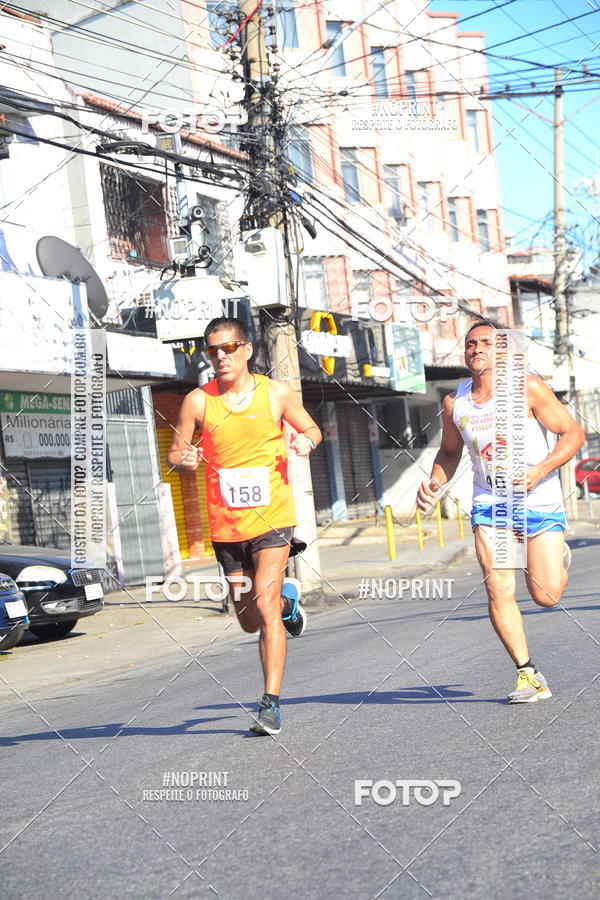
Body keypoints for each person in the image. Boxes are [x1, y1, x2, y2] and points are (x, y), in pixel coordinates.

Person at [168, 317, 322, 735]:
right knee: (249, 619)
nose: (221, 356)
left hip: (273, 518)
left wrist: (306, 440)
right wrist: (185, 458)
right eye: (213, 350)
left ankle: (270, 704)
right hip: (226, 527)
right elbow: (176, 452)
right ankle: (289, 604)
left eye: (229, 347)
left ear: (247, 349)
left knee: (264, 608)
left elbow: (311, 428)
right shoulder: (198, 401)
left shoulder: (276, 393)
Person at [417, 321, 585, 703]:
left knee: (546, 595)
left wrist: (540, 470)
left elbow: (572, 433)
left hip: (538, 501)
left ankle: (555, 555)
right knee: (497, 585)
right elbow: (449, 451)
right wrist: (434, 482)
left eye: (486, 343)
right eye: (470, 344)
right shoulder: (455, 402)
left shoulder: (528, 388)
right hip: (490, 504)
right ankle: (528, 673)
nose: (477, 349)